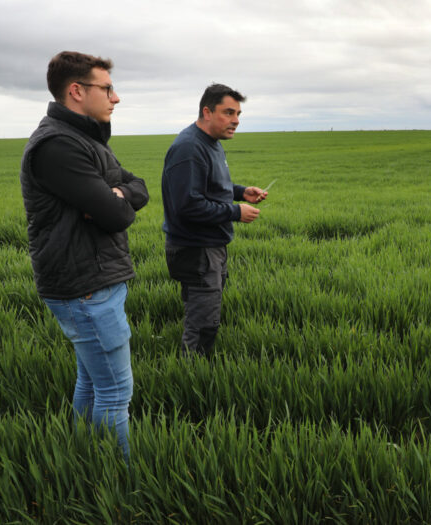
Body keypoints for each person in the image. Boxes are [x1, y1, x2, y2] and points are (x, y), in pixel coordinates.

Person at [19, 51, 149, 462]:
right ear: (77, 91)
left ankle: (83, 461)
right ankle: (122, 485)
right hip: (85, 288)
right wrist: (116, 199)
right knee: (114, 392)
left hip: (93, 281)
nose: (116, 98)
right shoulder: (58, 145)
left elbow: (137, 187)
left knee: (93, 383)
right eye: (107, 88)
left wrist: (118, 193)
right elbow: (116, 216)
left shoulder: (86, 139)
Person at [161, 83, 267, 358]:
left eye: (239, 114)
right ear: (207, 112)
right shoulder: (189, 148)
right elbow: (188, 205)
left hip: (210, 246)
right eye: (228, 113)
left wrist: (242, 192)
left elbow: (211, 187)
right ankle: (192, 379)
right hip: (196, 249)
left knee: (207, 313)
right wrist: (235, 211)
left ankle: (198, 368)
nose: (236, 121)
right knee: (203, 323)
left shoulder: (211, 144)